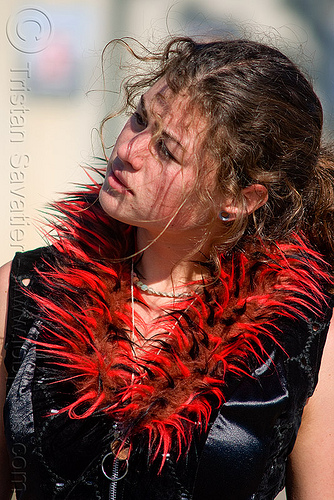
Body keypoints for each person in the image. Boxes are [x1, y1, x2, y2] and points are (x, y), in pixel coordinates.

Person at [1, 36, 334, 500]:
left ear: (238, 198)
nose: (131, 150)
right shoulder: (25, 293)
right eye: (140, 118)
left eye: (168, 150)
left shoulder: (305, 329)